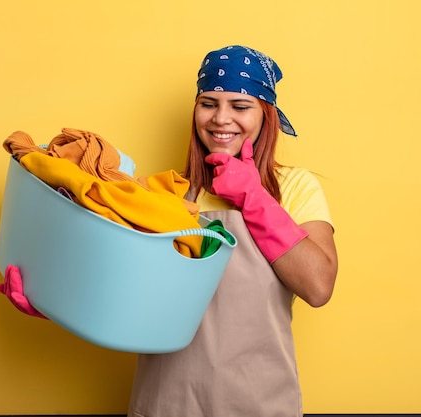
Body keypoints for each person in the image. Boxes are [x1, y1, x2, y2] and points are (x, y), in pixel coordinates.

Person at [127, 45, 338, 417]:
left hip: (259, 403)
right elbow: (125, 293)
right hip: (166, 404)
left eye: (240, 107)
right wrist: (50, 297)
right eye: (208, 103)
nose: (221, 119)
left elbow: (318, 286)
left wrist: (254, 197)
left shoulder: (295, 188)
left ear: (266, 116)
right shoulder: (165, 194)